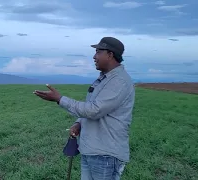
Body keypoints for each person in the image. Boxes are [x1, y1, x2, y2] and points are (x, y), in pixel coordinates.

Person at [33, 37, 135, 180]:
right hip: (92, 150)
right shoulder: (104, 79)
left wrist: (59, 99)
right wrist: (79, 123)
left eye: (98, 52)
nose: (94, 56)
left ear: (110, 54)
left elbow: (94, 110)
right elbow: (92, 106)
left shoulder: (119, 81)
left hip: (105, 155)